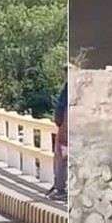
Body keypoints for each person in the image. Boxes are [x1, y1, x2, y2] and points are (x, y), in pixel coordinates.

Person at [48, 62, 69, 201]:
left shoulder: (68, 89)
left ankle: (60, 189)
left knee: (61, 156)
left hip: (66, 127)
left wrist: (59, 123)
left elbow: (61, 109)